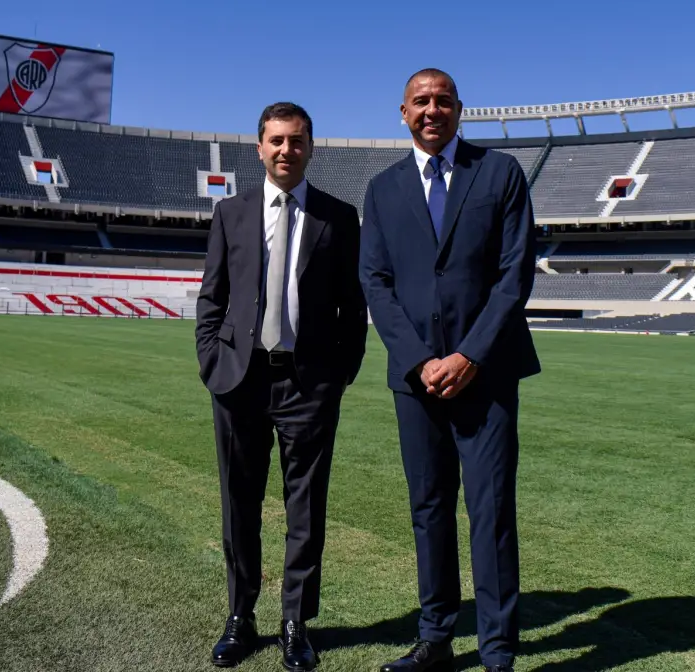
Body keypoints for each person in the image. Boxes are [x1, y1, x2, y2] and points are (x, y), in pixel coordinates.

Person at [359, 70, 540, 672]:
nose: (431, 110)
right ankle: (435, 639)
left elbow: (515, 274)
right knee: (429, 510)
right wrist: (420, 361)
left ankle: (497, 651)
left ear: (460, 109)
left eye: (442, 101)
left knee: (491, 512)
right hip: (417, 382)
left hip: (487, 376)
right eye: (421, 102)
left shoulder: (500, 173)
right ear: (403, 112)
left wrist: (469, 355)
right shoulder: (382, 189)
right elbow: (375, 283)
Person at [196, 102, 367, 671]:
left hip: (308, 383)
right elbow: (212, 297)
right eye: (276, 140)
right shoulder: (231, 212)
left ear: (310, 147)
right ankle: (239, 617)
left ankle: (296, 622)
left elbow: (353, 305)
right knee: (238, 504)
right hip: (239, 379)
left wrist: (338, 375)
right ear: (259, 148)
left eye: (296, 140)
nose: (285, 150)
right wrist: (211, 362)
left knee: (306, 508)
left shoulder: (338, 217)